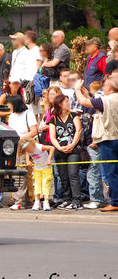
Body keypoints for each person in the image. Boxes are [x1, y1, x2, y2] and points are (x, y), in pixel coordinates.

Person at [74, 77, 118, 212]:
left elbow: (83, 102)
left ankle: (115, 201)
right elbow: (93, 102)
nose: (103, 88)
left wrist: (76, 89)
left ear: (110, 87)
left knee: (111, 173)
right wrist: (87, 94)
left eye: (105, 86)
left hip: (109, 139)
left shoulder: (107, 100)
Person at [49, 94, 83, 209]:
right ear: (60, 104)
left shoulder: (73, 115)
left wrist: (72, 144)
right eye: (66, 101)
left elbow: (78, 131)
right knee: (63, 176)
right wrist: (59, 147)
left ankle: (76, 199)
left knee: (73, 174)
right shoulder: (53, 119)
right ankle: (67, 198)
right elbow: (52, 136)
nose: (68, 103)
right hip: (60, 150)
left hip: (73, 149)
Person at [6, 94, 38, 210]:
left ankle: (21, 200)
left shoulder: (28, 114)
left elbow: (34, 131)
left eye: (9, 103)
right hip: (13, 145)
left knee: (21, 173)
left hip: (24, 145)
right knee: (15, 173)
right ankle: (24, 200)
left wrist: (21, 139)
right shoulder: (12, 115)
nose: (8, 106)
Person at [79, 80, 105, 209]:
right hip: (87, 141)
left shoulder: (100, 102)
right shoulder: (89, 104)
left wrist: (94, 141)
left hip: (95, 142)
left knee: (93, 172)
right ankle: (97, 198)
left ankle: (97, 199)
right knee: (92, 171)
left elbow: (98, 121)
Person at [19, 138, 54, 211]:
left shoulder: (39, 147)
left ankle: (46, 201)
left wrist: (49, 159)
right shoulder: (28, 151)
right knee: (37, 184)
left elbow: (51, 148)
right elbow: (27, 153)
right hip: (37, 168)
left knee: (45, 184)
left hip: (46, 168)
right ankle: (37, 201)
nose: (27, 151)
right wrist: (28, 160)